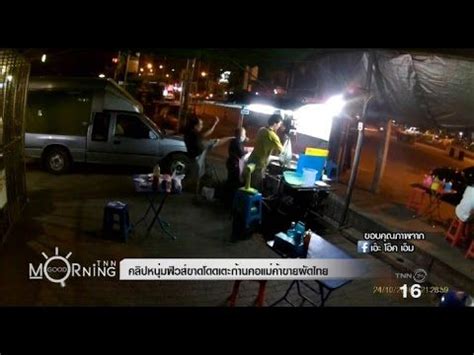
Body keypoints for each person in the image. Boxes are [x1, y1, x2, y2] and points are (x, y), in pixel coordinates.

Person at [183, 115, 232, 194]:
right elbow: (208, 136)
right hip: (196, 158)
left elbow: (205, 134)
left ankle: (195, 192)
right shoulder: (194, 135)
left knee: (198, 176)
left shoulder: (191, 133)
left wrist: (213, 124)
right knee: (195, 177)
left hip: (194, 158)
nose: (202, 126)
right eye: (201, 124)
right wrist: (229, 137)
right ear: (195, 126)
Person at [246, 114, 284, 190]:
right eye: (279, 124)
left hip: (251, 159)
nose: (279, 126)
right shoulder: (273, 136)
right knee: (256, 186)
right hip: (260, 164)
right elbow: (282, 151)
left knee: (248, 182)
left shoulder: (261, 129)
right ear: (275, 123)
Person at [226, 127, 249, 191]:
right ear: (240, 135)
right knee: (234, 180)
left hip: (231, 162)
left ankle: (227, 193)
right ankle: (230, 195)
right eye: (244, 134)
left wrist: (244, 140)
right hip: (234, 164)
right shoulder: (237, 142)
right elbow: (241, 153)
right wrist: (247, 151)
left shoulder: (235, 141)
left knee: (231, 179)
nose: (245, 136)